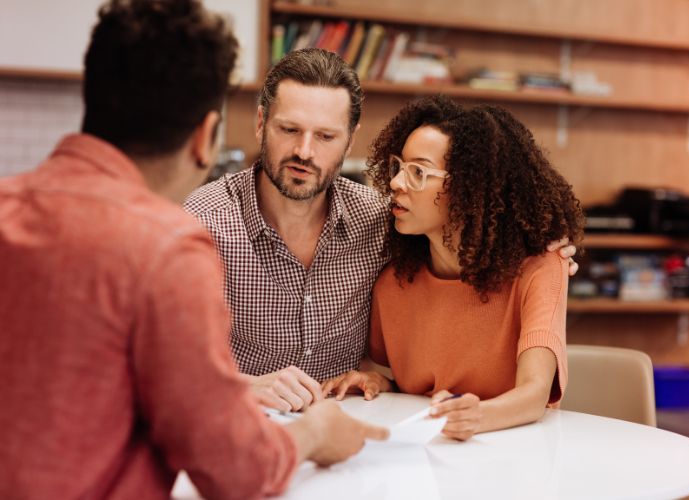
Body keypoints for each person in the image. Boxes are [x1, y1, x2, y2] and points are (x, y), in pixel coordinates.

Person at [0, 2, 387, 499]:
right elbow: (232, 468)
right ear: (207, 136)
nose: (304, 151)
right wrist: (314, 434)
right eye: (289, 129)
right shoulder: (168, 245)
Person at [185, 48, 580, 413]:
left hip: (350, 431)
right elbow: (160, 362)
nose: (304, 151)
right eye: (289, 129)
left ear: (349, 141)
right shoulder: (203, 223)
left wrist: (547, 250)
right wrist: (242, 387)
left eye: (325, 136)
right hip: (236, 422)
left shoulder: (380, 221)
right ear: (260, 123)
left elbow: (470, 236)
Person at [322, 96, 585, 441]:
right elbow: (405, 383)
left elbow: (534, 395)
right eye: (398, 166)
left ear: (469, 188)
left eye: (418, 172)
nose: (397, 183)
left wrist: (475, 416)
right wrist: (377, 381)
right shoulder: (393, 284)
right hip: (427, 455)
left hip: (517, 455)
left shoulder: (541, 269)